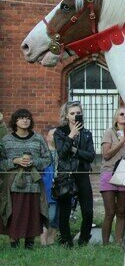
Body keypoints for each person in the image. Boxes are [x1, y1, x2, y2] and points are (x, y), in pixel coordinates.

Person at [0, 109, 52, 249]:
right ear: (15, 121)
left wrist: (34, 162)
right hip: (13, 184)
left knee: (32, 214)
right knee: (15, 213)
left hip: (33, 183)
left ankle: (29, 244)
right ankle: (14, 244)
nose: (25, 120)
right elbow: (1, 162)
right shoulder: (6, 140)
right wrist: (15, 161)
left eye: (28, 118)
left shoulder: (38, 138)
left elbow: (47, 159)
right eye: (21, 118)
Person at [54, 101, 95, 247]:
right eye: (72, 113)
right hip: (66, 174)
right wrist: (70, 136)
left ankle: (83, 240)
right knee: (64, 210)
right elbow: (62, 153)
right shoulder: (60, 132)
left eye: (78, 113)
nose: (75, 116)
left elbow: (91, 156)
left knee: (88, 211)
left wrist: (76, 151)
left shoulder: (87, 133)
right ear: (66, 115)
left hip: (82, 173)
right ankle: (66, 241)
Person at [99, 106, 125, 246]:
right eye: (121, 114)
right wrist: (122, 141)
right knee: (110, 211)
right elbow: (106, 155)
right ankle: (105, 243)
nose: (124, 116)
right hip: (109, 172)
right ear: (116, 117)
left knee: (122, 211)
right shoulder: (109, 132)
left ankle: (119, 242)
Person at [40, 128, 58, 246]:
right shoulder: (42, 153)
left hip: (60, 188)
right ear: (47, 137)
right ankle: (43, 242)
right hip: (47, 188)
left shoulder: (61, 152)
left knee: (57, 217)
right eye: (52, 134)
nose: (54, 137)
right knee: (49, 216)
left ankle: (51, 241)